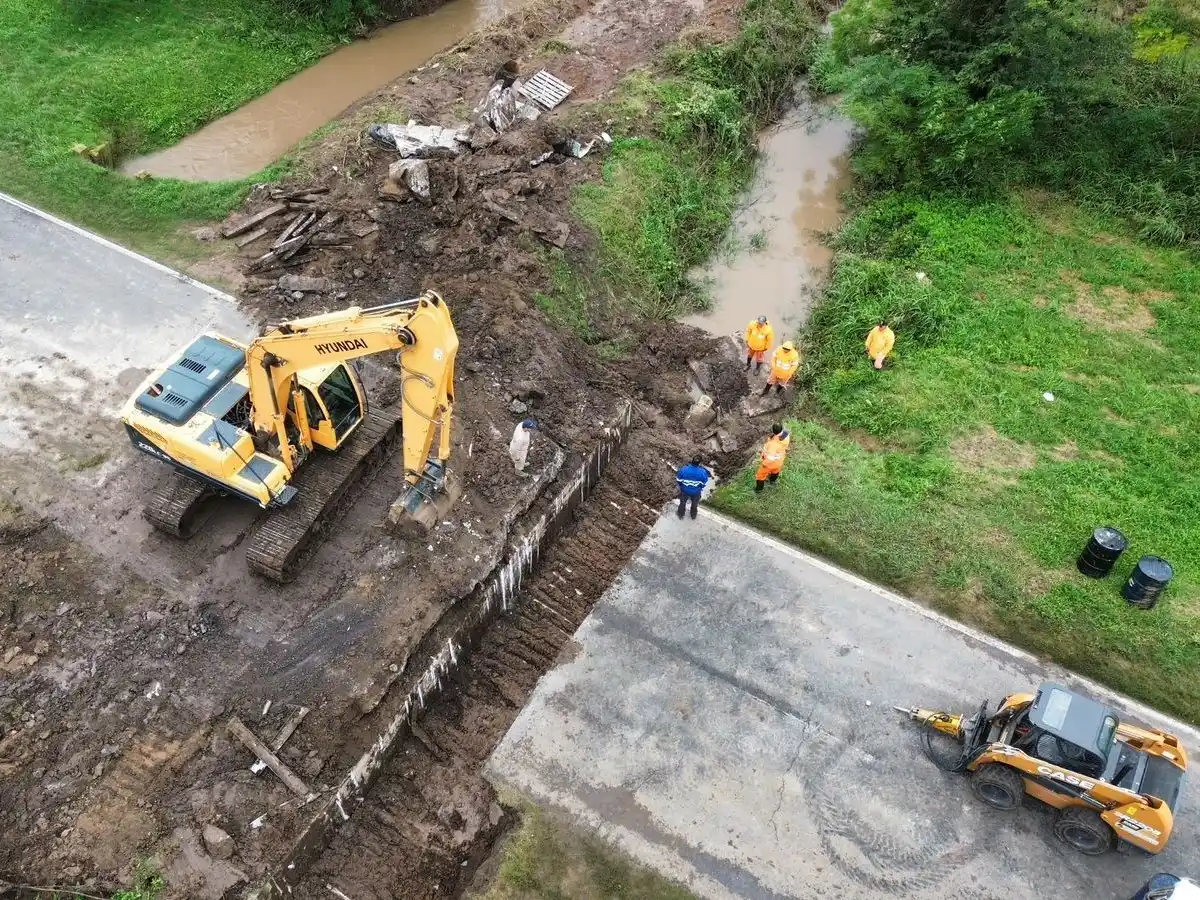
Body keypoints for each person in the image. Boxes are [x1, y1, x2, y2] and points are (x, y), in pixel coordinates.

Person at [754, 423, 791, 492]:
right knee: (775, 471)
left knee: (760, 476)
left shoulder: (773, 445)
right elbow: (786, 432)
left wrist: (764, 464)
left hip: (771, 463)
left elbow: (770, 458)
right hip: (780, 460)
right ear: (782, 429)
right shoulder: (786, 435)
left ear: (773, 431)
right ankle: (773, 481)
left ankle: (758, 491)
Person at [675, 456, 710, 520]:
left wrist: (682, 486)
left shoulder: (684, 469)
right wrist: (698, 488)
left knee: (682, 503)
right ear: (699, 463)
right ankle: (693, 515)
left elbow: (678, 480)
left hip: (684, 491)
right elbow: (703, 484)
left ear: (692, 461)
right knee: (694, 504)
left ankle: (680, 514)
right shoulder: (703, 472)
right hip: (696, 492)